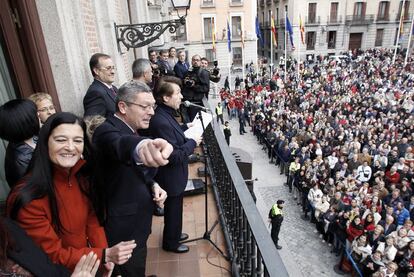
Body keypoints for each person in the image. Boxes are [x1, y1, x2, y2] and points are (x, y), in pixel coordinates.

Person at [7, 112, 135, 274]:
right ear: (45, 143)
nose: (70, 146)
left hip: (85, 264)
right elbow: (50, 254)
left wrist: (103, 255)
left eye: (78, 140)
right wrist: (104, 255)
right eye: (61, 140)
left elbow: (92, 220)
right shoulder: (28, 197)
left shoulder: (80, 175)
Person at [93, 81, 171, 276]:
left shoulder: (130, 128)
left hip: (137, 221)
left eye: (153, 106)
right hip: (123, 230)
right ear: (123, 107)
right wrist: (143, 146)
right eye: (145, 106)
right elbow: (121, 145)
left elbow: (133, 171)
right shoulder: (106, 130)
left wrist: (153, 184)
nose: (152, 112)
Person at [149, 76, 201, 253]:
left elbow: (175, 132)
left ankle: (174, 234)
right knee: (173, 211)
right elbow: (175, 155)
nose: (181, 97)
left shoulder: (165, 114)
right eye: (177, 93)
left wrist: (188, 126)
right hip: (169, 176)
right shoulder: (160, 120)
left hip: (173, 175)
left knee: (175, 210)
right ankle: (170, 243)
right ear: (165, 97)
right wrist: (193, 142)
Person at [0, 99, 39, 188]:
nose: (38, 114)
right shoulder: (21, 159)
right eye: (34, 113)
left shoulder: (33, 138)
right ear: (24, 121)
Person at [83, 53, 118, 117]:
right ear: (96, 71)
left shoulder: (113, 88)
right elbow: (94, 124)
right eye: (108, 68)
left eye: (113, 68)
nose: (113, 72)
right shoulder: (95, 93)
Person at [181, 54, 210, 122]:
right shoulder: (187, 72)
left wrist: (194, 86)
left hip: (196, 103)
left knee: (195, 122)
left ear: (200, 62)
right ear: (191, 62)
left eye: (197, 60)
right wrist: (185, 82)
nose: (195, 62)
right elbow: (183, 83)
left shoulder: (204, 73)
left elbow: (206, 88)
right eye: (194, 60)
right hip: (186, 101)